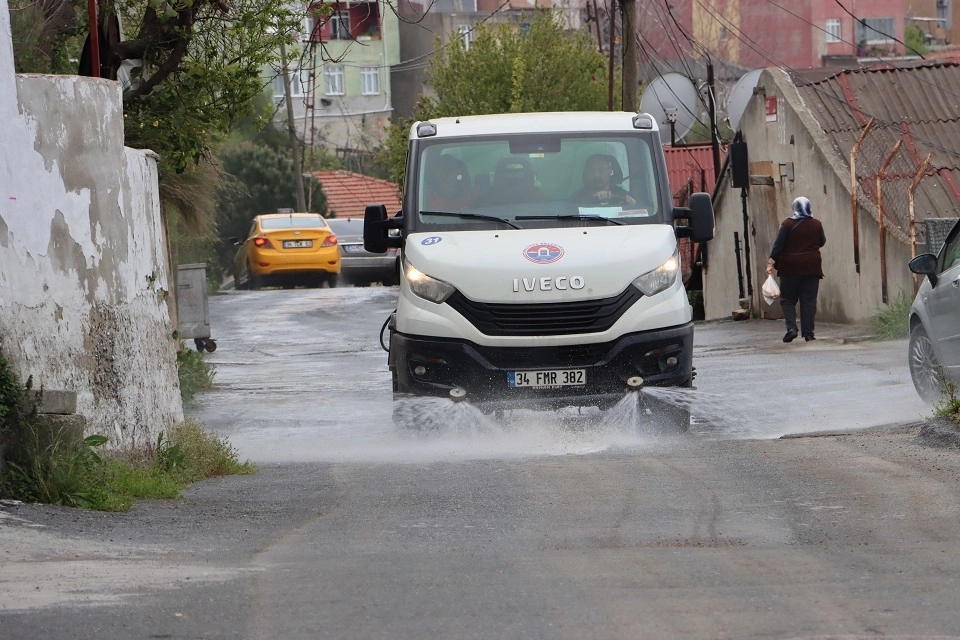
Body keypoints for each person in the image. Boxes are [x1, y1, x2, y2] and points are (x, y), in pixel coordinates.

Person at [766, 196, 827, 343]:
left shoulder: (787, 224)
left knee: (787, 299)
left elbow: (778, 245)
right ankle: (809, 334)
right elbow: (822, 241)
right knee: (809, 301)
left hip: (790, 269)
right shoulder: (817, 224)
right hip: (812, 268)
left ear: (794, 208)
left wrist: (770, 263)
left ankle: (792, 329)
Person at [570, 154, 636, 207]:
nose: (596, 175)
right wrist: (594, 198)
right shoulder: (577, 197)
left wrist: (632, 204)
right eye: (591, 171)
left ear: (609, 170)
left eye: (600, 170)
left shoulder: (622, 194)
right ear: (586, 173)